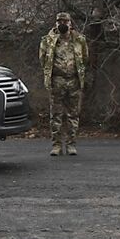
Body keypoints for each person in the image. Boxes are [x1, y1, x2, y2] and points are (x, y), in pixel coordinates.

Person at [39, 11, 89, 156]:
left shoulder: (79, 40)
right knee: (56, 114)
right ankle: (56, 146)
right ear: (56, 23)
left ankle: (71, 145)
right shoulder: (48, 40)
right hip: (57, 81)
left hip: (74, 80)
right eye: (59, 21)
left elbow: (85, 58)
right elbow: (43, 60)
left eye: (65, 22)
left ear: (70, 23)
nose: (62, 24)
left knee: (73, 114)